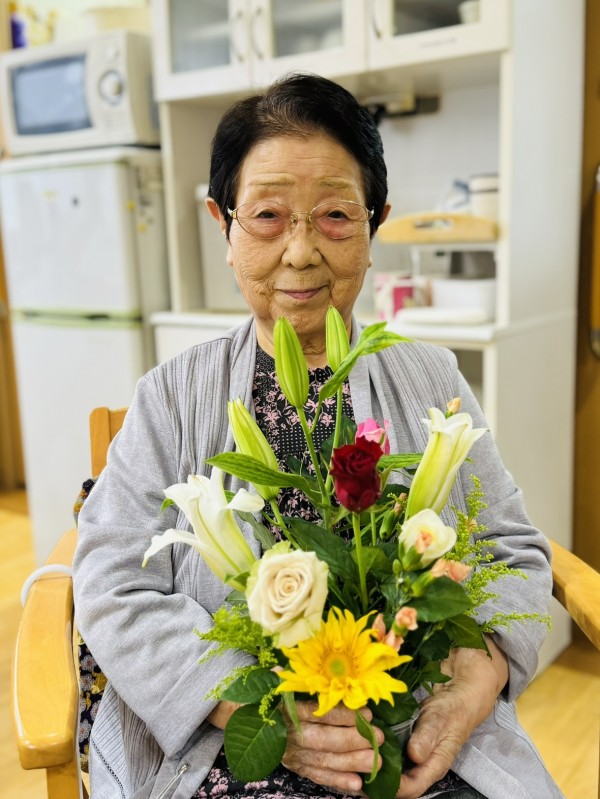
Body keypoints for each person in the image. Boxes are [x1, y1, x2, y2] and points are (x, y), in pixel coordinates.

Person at [73, 73, 562, 799]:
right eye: (268, 216)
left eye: (335, 215)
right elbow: (112, 580)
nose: (300, 252)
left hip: (417, 740)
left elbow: (509, 547)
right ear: (224, 225)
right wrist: (253, 707)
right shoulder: (170, 397)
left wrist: (476, 673)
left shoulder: (432, 379)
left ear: (375, 222)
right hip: (229, 744)